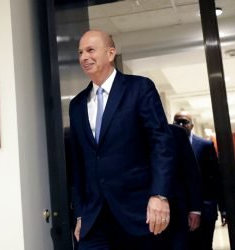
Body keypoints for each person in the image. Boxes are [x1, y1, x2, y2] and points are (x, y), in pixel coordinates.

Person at [69, 29, 175, 250]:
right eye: (80, 52)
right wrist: (80, 213)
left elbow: (161, 144)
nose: (83, 57)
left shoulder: (139, 88)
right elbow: (78, 164)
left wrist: (160, 194)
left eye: (90, 50)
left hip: (137, 213)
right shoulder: (77, 105)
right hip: (94, 219)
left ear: (110, 53)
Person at [173, 111, 226, 250]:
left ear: (192, 125)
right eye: (176, 122)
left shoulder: (205, 145)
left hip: (205, 209)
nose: (180, 125)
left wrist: (223, 209)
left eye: (184, 122)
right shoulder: (169, 146)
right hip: (180, 211)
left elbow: (215, 178)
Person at [159, 124, 202, 250]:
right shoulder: (129, 132)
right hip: (140, 214)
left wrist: (195, 209)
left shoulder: (177, 133)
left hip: (177, 210)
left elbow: (191, 171)